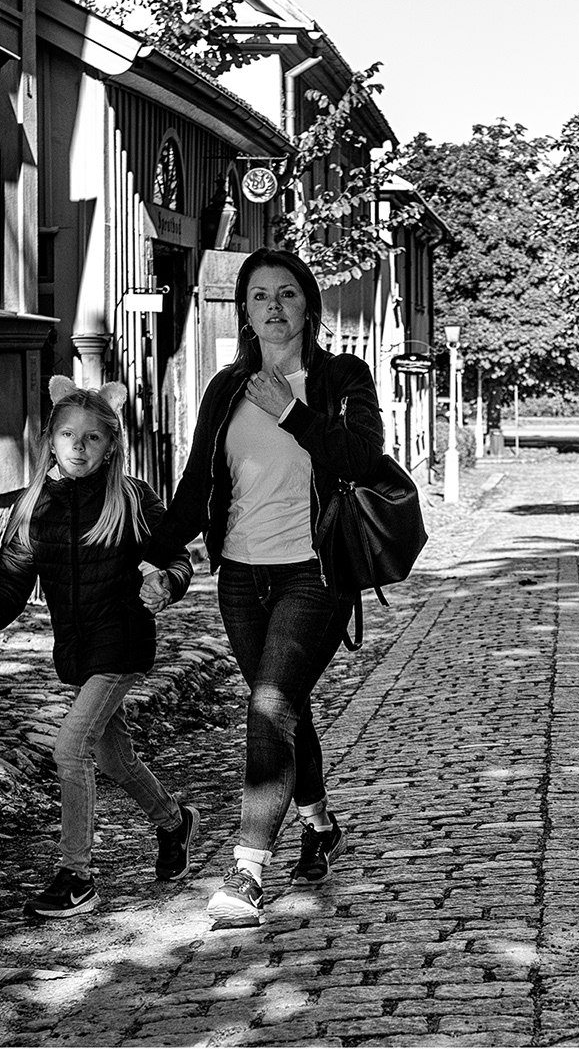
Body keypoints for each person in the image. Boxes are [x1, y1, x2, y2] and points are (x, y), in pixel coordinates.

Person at [144, 247, 385, 928]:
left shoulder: (341, 377)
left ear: (308, 304)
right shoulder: (226, 388)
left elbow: (362, 456)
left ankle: (247, 870)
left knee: (270, 702)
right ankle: (319, 825)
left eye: (287, 293)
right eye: (259, 296)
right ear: (244, 311)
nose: (274, 306)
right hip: (241, 577)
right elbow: (196, 485)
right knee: (282, 709)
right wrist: (147, 554)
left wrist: (292, 412)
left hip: (315, 571)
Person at [0, 377, 200, 919]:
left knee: (70, 749)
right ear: (51, 439)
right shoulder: (34, 506)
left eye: (92, 437)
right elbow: (11, 583)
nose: (79, 447)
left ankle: (77, 875)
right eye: (68, 435)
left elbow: (177, 557)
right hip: (77, 650)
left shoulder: (130, 499)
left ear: (110, 445)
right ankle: (174, 821)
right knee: (114, 756)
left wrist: (167, 582)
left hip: (122, 642)